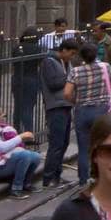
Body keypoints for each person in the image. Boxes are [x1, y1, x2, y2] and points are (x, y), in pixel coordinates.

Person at [63, 40, 111, 186]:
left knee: (83, 147)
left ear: (81, 56)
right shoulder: (105, 67)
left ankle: (83, 180)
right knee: (102, 145)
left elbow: (66, 93)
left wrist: (76, 101)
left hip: (82, 111)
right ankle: (100, 175)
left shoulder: (75, 71)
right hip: (101, 110)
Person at [0, 102, 41, 198]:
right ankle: (16, 188)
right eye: (0, 114)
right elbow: (3, 147)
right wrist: (21, 137)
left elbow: (6, 144)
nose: (3, 116)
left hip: (1, 162)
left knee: (35, 156)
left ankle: (26, 183)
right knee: (24, 156)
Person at [38, 37, 77, 187]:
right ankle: (48, 178)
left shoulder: (67, 64)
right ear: (64, 50)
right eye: (71, 53)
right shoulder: (49, 61)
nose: (72, 57)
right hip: (55, 106)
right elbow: (54, 83)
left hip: (66, 105)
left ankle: (57, 175)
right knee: (56, 143)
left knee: (64, 142)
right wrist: (69, 79)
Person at [10, 29, 44, 135]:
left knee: (18, 106)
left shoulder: (17, 48)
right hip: (31, 79)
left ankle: (16, 130)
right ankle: (29, 133)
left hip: (17, 79)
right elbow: (40, 63)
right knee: (28, 107)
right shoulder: (37, 48)